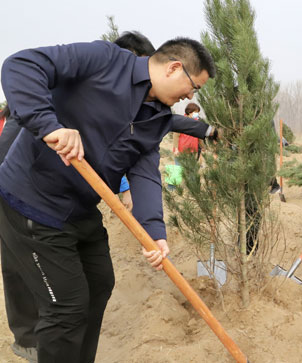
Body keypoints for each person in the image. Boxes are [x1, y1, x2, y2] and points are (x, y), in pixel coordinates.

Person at [0, 37, 215, 363]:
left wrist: (154, 230)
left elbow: (145, 173)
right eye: (193, 87)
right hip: (32, 201)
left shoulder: (156, 116)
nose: (190, 96)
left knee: (100, 282)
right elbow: (21, 65)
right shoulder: (104, 61)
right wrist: (49, 125)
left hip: (81, 209)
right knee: (66, 306)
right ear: (174, 67)